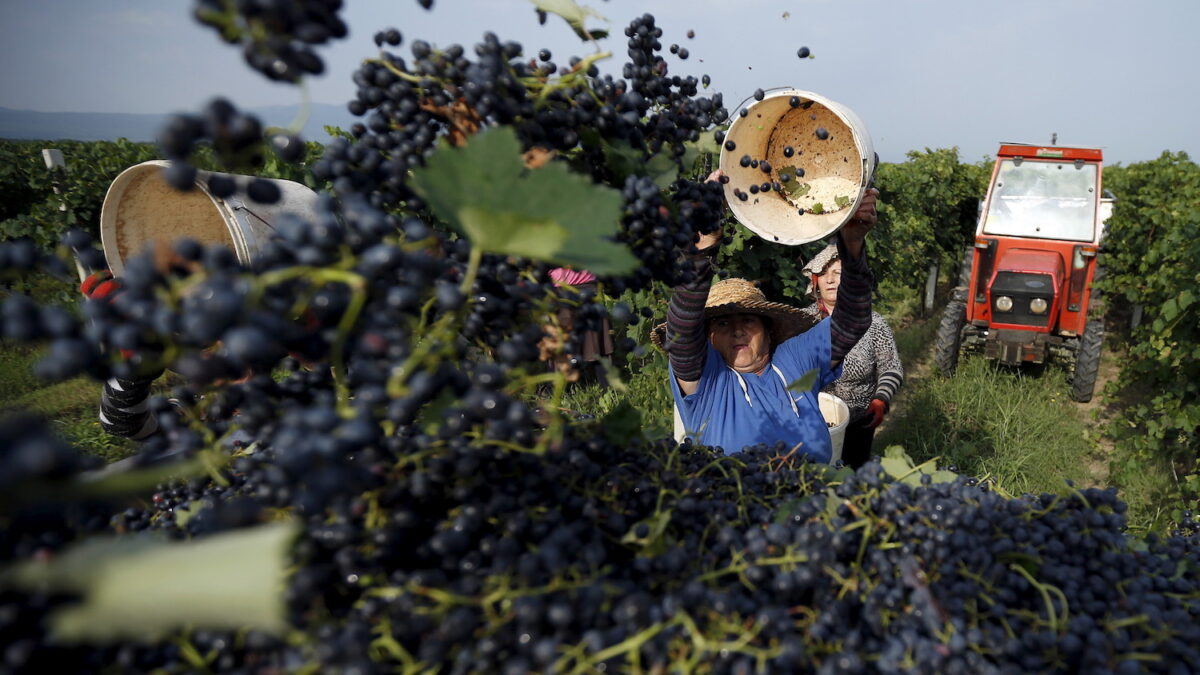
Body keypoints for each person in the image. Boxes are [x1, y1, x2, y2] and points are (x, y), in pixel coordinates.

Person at [658, 173, 879, 463]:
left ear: (769, 330)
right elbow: (682, 330)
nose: (737, 331)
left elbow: (853, 318)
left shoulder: (793, 361)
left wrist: (851, 242)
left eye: (748, 321)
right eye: (722, 324)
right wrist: (703, 250)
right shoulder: (709, 381)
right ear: (708, 339)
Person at [799, 243, 904, 468]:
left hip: (859, 422)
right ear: (815, 282)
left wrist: (880, 399)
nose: (830, 280)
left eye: (838, 273)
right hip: (810, 422)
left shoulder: (873, 323)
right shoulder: (799, 323)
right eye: (823, 274)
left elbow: (891, 367)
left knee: (851, 481)